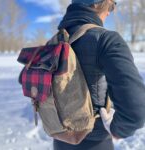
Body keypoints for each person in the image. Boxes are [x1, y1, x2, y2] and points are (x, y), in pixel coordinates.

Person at [54, 0, 145, 149]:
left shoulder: (54, 42)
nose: (110, 12)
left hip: (60, 138)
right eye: (112, 5)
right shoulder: (106, 40)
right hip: (95, 142)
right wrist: (118, 129)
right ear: (99, 4)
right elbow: (135, 112)